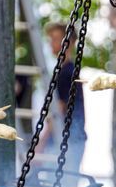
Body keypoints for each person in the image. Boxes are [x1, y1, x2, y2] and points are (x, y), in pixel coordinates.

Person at [36, 22, 87, 160]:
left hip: (67, 141)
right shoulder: (65, 70)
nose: (50, 43)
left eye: (55, 38)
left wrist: (41, 143)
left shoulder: (67, 73)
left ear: (68, 42)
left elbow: (58, 110)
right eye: (50, 39)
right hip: (67, 139)